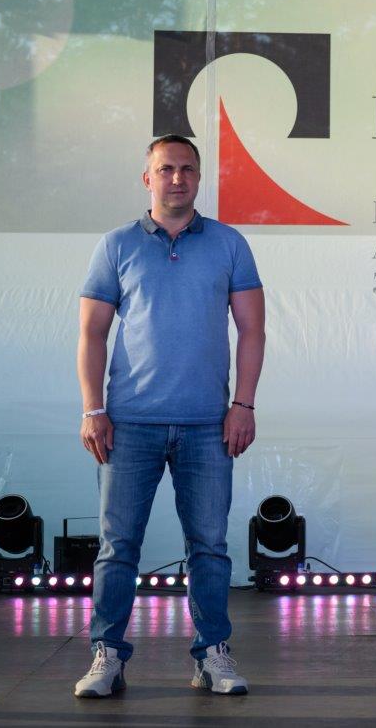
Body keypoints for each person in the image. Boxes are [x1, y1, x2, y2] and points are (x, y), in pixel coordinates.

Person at [73, 134, 266, 698]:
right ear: (147, 178)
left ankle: (212, 654)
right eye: (165, 169)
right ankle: (107, 655)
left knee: (209, 546)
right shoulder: (116, 246)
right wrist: (93, 408)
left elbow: (252, 329)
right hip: (128, 423)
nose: (177, 178)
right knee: (118, 547)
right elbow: (91, 333)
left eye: (187, 169)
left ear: (199, 178)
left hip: (208, 424)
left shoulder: (229, 244)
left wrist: (243, 404)